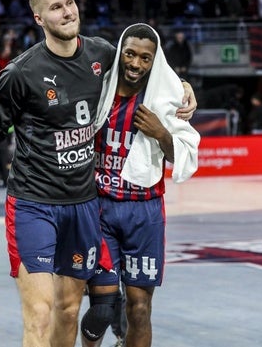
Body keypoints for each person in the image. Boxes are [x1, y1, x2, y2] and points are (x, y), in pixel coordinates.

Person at [0, 0, 196, 347]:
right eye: (55, 7)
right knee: (40, 314)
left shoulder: (103, 54)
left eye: (70, 2)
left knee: (69, 310)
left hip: (83, 206)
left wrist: (184, 85)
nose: (66, 11)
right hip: (33, 204)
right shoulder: (20, 73)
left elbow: (151, 71)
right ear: (39, 18)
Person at [80, 23, 200, 347]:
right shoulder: (100, 86)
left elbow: (187, 156)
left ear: (154, 60)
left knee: (140, 309)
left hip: (144, 213)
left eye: (145, 58)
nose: (136, 64)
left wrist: (162, 133)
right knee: (102, 309)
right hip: (100, 209)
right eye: (130, 54)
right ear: (120, 52)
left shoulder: (166, 96)